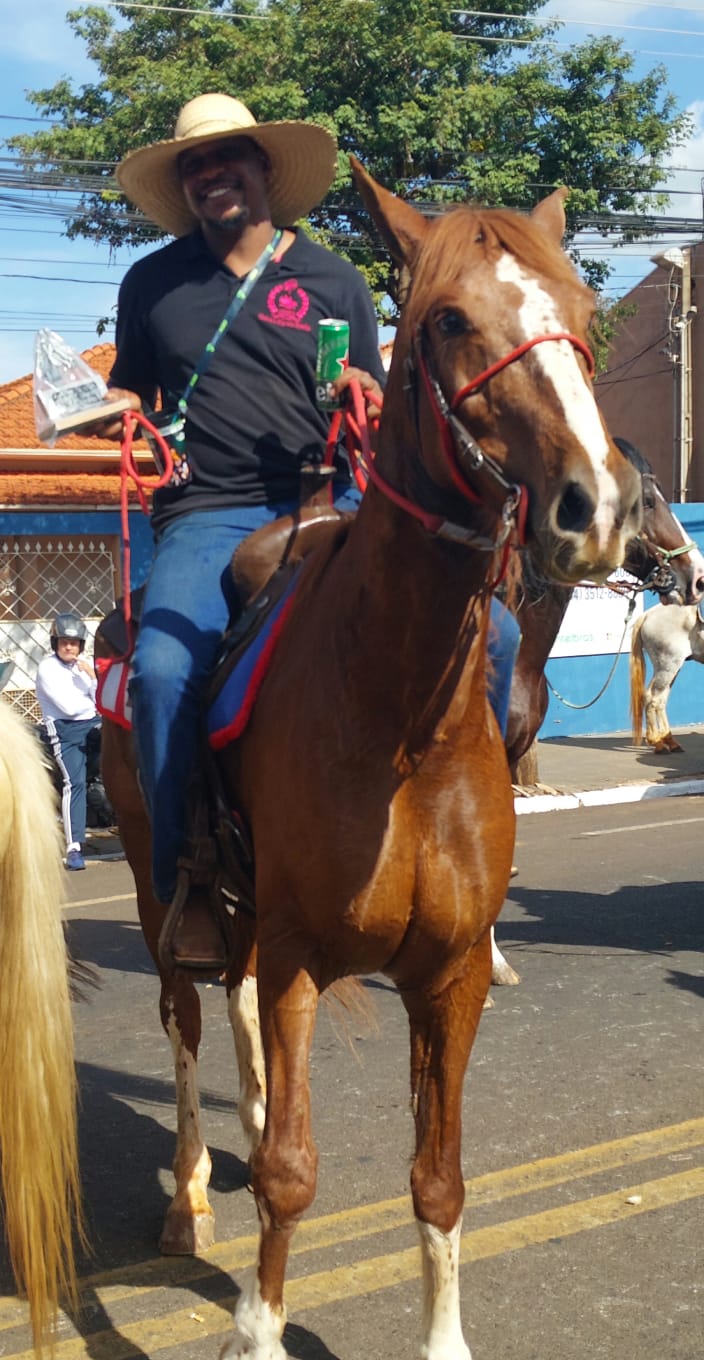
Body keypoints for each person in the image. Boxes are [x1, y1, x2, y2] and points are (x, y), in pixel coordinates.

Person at [88, 92, 387, 965]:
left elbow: (367, 384)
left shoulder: (333, 279)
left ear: (264, 168)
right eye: (194, 164)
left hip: (331, 504)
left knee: (495, 636)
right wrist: (104, 408)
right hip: (206, 511)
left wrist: (362, 392)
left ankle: (467, 834)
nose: (210, 173)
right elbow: (133, 389)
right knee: (160, 672)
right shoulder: (152, 283)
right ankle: (187, 875)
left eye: (227, 157)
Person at [35, 613, 100, 871]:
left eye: (74, 643)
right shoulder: (47, 668)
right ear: (55, 643)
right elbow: (69, 708)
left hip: (92, 723)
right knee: (75, 783)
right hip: (64, 730)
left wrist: (92, 678)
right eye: (64, 642)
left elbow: (102, 699)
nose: (70, 647)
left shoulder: (84, 667)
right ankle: (74, 847)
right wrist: (92, 694)